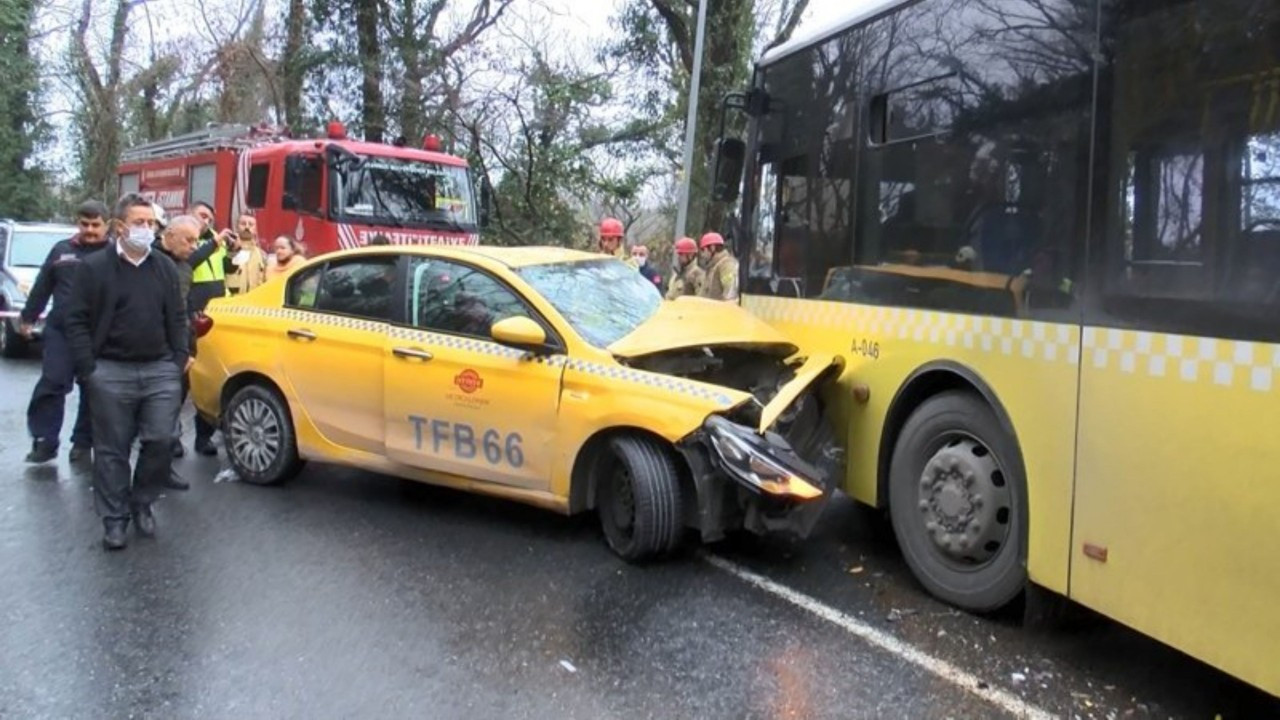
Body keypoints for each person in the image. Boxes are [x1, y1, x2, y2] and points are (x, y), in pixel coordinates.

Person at [64, 193, 189, 550]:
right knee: (112, 449)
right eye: (140, 222)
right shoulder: (94, 268)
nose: (147, 229)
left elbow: (177, 318)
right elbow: (75, 320)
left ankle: (142, 501)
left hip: (159, 369)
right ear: (120, 227)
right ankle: (114, 519)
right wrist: (88, 367)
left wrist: (177, 358)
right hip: (110, 370)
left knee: (161, 439)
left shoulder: (163, 268)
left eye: (151, 223)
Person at [19, 200, 112, 463]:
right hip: (61, 331)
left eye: (96, 225)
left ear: (107, 225)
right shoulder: (61, 251)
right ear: (77, 222)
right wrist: (28, 317)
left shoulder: (115, 254)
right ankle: (45, 441)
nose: (90, 230)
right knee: (52, 383)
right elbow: (42, 286)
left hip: (98, 334)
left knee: (93, 388)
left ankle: (83, 443)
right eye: (85, 224)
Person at [154, 215, 202, 478]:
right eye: (189, 240)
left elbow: (183, 310)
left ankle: (163, 465)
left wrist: (189, 349)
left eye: (197, 240)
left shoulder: (185, 268)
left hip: (176, 345)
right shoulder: (150, 261)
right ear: (169, 236)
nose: (194, 246)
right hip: (147, 346)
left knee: (173, 400)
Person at [224, 213, 267, 295]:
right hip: (231, 303)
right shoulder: (227, 249)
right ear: (236, 227)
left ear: (256, 229)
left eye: (251, 224)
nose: (247, 227)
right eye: (243, 224)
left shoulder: (262, 255)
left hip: (254, 303)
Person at [698, 232, 740, 302]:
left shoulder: (726, 265)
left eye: (703, 250)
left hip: (719, 312)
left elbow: (730, 295)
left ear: (712, 248)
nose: (702, 254)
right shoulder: (712, 267)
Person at [665, 236, 705, 300]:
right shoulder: (677, 275)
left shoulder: (697, 274)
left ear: (690, 255)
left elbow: (700, 300)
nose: (678, 257)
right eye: (678, 254)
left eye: (681, 254)